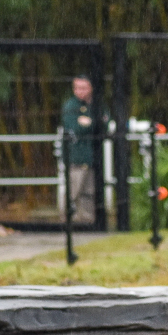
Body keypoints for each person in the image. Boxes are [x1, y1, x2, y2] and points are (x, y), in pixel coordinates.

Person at [60, 75, 101, 226]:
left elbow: (103, 123)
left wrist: (90, 122)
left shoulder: (96, 104)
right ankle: (67, 222)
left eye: (84, 88)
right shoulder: (70, 106)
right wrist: (92, 122)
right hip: (76, 157)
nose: (80, 91)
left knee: (88, 193)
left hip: (92, 158)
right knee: (73, 191)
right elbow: (76, 128)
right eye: (77, 88)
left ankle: (88, 221)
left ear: (91, 88)